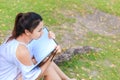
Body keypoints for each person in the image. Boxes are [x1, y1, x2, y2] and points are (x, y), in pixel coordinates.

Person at [0, 12, 76, 80]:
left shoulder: (16, 38)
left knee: (46, 63)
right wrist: (52, 55)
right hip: (14, 77)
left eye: (42, 29)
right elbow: (32, 77)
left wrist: (47, 39)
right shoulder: (21, 50)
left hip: (15, 73)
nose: (42, 33)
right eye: (39, 30)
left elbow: (32, 55)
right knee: (47, 67)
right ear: (27, 32)